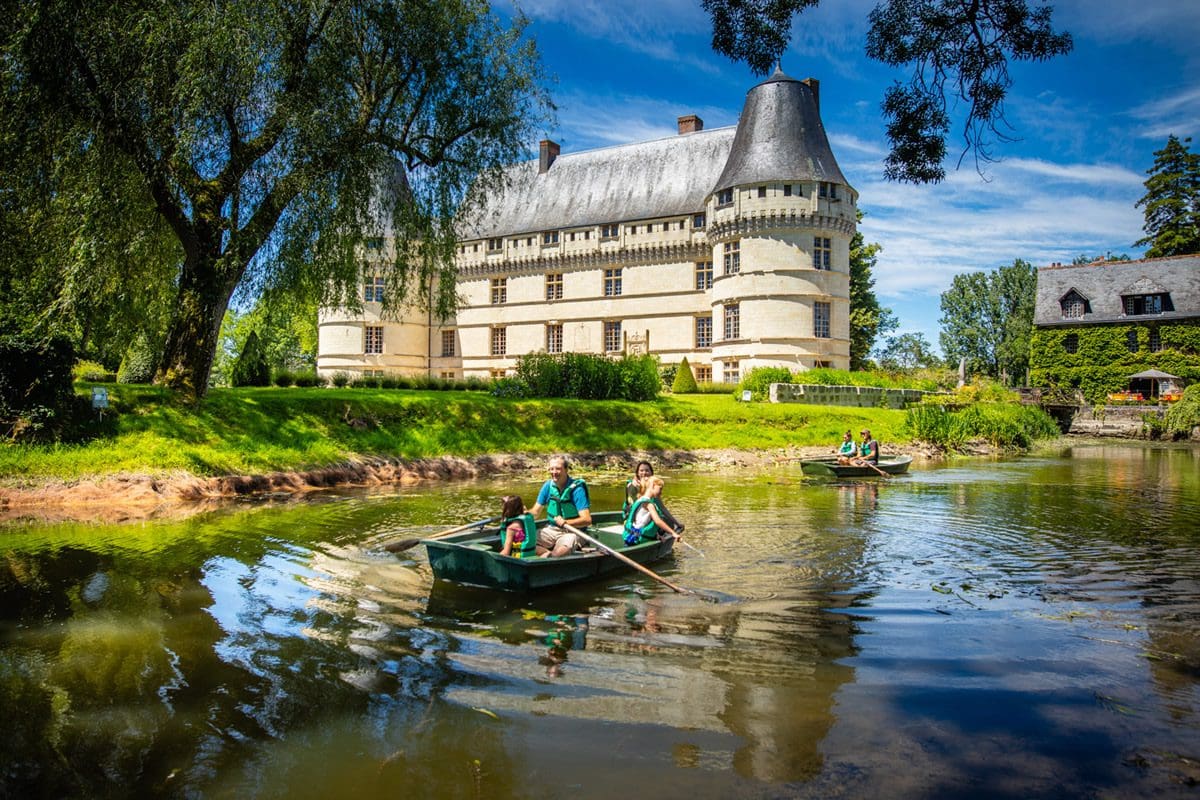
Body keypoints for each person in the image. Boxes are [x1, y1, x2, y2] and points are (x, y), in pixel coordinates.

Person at [529, 455, 591, 557]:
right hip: (552, 529)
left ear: (566, 470)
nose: (554, 472)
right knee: (524, 543)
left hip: (574, 531)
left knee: (559, 553)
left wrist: (566, 522)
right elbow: (535, 513)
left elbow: (587, 519)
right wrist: (523, 514)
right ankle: (547, 554)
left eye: (558, 469)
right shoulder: (548, 486)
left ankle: (552, 557)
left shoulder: (577, 490)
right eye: (551, 469)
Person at [623, 460, 684, 532]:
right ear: (637, 473)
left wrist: (677, 523)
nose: (644, 473)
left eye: (647, 470)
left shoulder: (653, 489)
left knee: (668, 522)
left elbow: (662, 508)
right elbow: (631, 493)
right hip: (631, 521)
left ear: (651, 473)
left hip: (644, 521)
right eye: (641, 471)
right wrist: (634, 484)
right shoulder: (633, 486)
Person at [622, 476, 682, 546]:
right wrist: (673, 533)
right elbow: (658, 521)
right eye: (660, 489)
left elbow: (642, 522)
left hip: (632, 536)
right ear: (653, 486)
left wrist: (657, 536)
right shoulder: (649, 504)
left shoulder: (640, 499)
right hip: (636, 540)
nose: (661, 492)